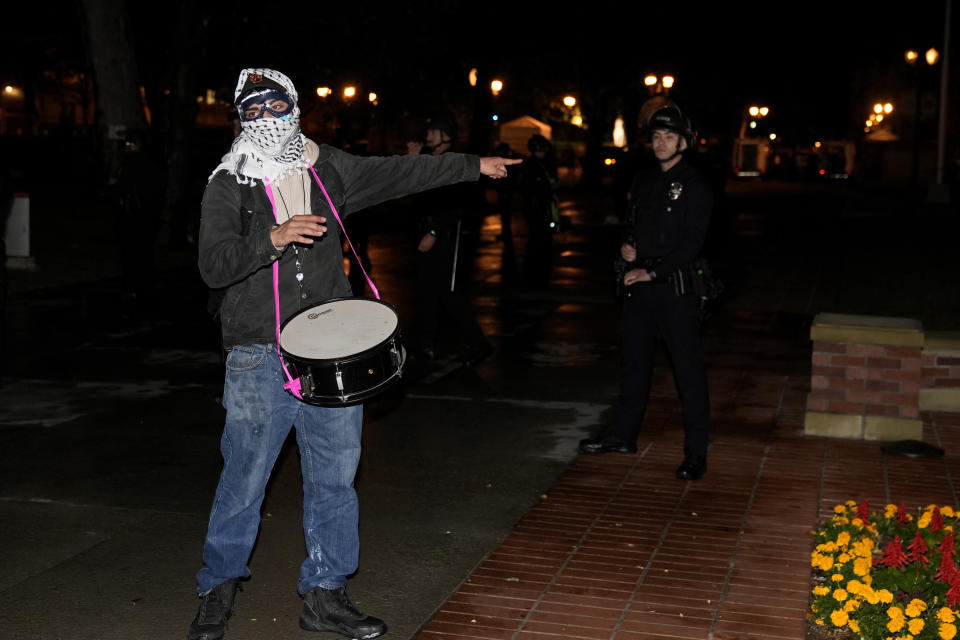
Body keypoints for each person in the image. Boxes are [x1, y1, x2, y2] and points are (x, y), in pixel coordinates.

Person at [190, 68, 520, 640]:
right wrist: (272, 237)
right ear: (241, 119)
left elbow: (400, 171)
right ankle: (217, 590)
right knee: (243, 480)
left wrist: (471, 164)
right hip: (257, 357)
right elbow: (212, 265)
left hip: (330, 352)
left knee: (335, 479)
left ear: (293, 110)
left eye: (275, 107)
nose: (266, 120)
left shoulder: (329, 166)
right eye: (254, 110)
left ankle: (326, 594)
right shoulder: (228, 183)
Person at [579, 104, 712, 481]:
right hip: (639, 286)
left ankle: (695, 453)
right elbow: (635, 227)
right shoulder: (643, 181)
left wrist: (652, 270)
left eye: (669, 136)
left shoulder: (696, 184)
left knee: (688, 373)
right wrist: (628, 248)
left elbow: (692, 244)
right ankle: (622, 436)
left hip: (675, 289)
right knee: (634, 365)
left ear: (684, 141)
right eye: (656, 136)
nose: (661, 143)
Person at [406, 113, 494, 371]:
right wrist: (411, 164)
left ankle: (479, 344)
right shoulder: (428, 161)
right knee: (426, 292)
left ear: (447, 135)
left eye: (434, 131)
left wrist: (434, 232)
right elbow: (416, 197)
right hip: (428, 235)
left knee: (450, 294)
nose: (428, 136)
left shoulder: (455, 163)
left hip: (449, 238)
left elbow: (460, 205)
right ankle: (425, 345)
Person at [519, 134, 559, 286]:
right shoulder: (532, 165)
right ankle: (534, 270)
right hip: (536, 207)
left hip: (542, 206)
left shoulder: (543, 163)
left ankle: (537, 269)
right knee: (537, 238)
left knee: (541, 238)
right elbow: (528, 187)